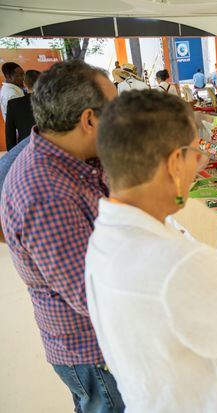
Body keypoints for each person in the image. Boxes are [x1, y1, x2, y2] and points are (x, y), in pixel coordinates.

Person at [86, 89, 217, 412]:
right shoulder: (180, 264)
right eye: (195, 154)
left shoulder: (104, 235)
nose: (199, 166)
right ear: (174, 162)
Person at [0, 60, 124, 412]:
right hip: (93, 350)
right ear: (88, 120)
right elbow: (94, 297)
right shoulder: (47, 193)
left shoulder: (74, 156)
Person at [5, 69, 40, 150]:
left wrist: (12, 153)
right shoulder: (51, 101)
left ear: (25, 84)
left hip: (24, 148)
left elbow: (10, 134)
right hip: (48, 146)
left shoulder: (13, 104)